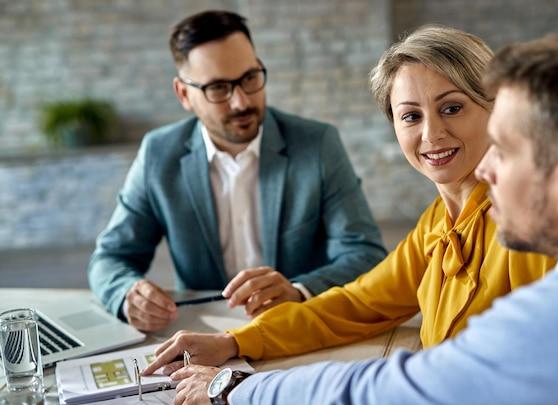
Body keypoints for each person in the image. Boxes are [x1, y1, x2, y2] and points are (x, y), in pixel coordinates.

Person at [170, 29, 558, 405]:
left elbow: (406, 392)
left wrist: (234, 390)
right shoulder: (436, 224)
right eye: (410, 116)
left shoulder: (538, 234)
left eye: (452, 108)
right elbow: (359, 303)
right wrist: (236, 341)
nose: (431, 135)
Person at [88, 10, 387, 331]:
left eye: (249, 78)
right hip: (205, 336)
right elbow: (110, 259)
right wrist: (126, 294)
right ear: (184, 94)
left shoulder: (317, 144)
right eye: (218, 88)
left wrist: (299, 290)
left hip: (296, 329)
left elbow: (365, 252)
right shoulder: (159, 154)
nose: (241, 102)